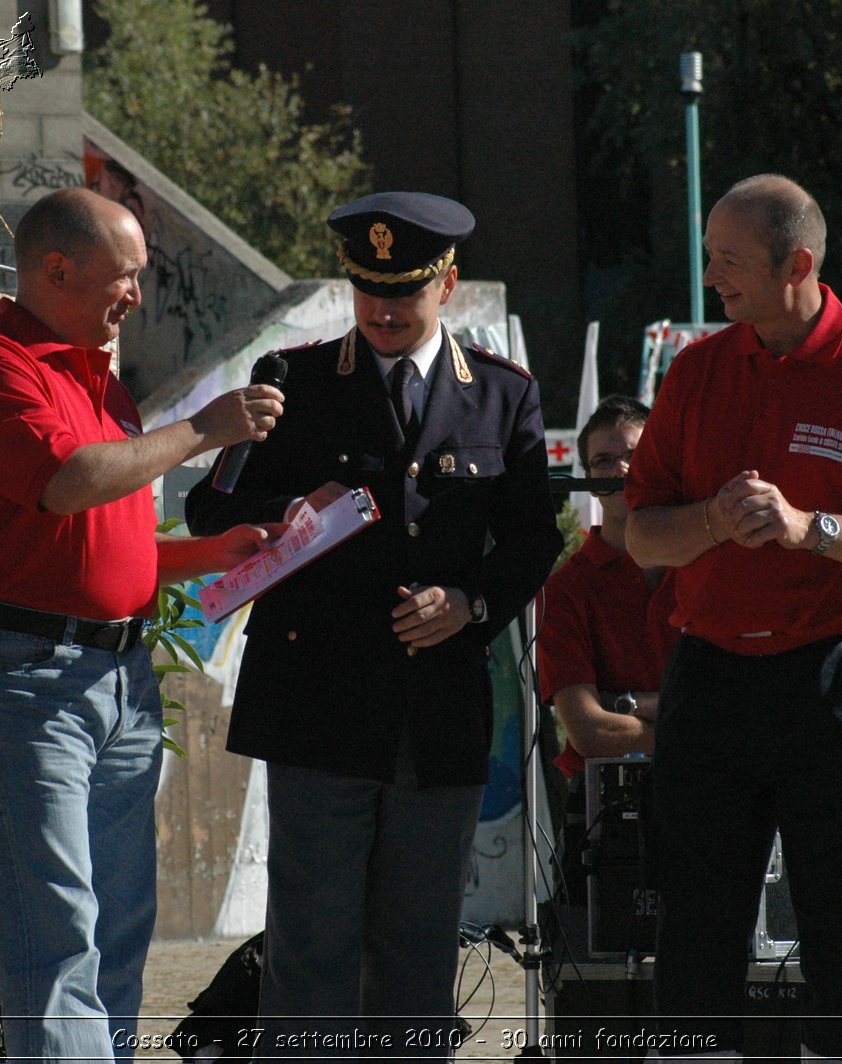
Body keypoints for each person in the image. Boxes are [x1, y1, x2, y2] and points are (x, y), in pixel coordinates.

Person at [184, 191, 561, 1054]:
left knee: (418, 948)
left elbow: (534, 537)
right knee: (311, 945)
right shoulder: (294, 381)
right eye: (368, 291)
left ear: (450, 286)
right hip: (318, 705)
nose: (385, 312)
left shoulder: (502, 397)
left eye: (407, 293)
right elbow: (212, 510)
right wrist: (287, 512)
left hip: (438, 713)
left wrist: (470, 605)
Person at [0, 187, 284, 1063]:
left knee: (115, 937)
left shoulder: (97, 376)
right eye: (124, 278)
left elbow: (102, 551)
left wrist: (216, 554)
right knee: (58, 944)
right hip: (20, 680)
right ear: (55, 270)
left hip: (110, 681)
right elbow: (69, 483)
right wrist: (201, 428)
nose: (136, 297)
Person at [624, 173, 842, 1061]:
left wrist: (814, 530)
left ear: (797, 264)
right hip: (709, 677)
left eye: (729, 262)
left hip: (835, 676)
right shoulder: (694, 371)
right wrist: (709, 524)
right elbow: (642, 536)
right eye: (708, 257)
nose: (712, 279)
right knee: (695, 920)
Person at [540, 395, 679, 782]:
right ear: (588, 478)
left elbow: (739, 708)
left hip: (714, 793)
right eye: (604, 461)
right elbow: (590, 732)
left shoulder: (707, 566)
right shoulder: (565, 589)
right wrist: (695, 727)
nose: (621, 469)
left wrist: (626, 704)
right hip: (605, 807)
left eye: (636, 455)